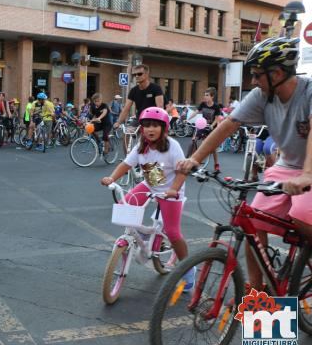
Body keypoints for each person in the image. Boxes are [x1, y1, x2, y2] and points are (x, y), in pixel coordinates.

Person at [177, 37, 312, 293]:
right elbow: (228, 125)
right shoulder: (262, 96)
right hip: (286, 167)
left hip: (310, 168)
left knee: (302, 214)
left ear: (278, 73)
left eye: (257, 75)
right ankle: (258, 292)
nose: (253, 81)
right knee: (253, 224)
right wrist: (195, 159)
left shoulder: (309, 92)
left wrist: (307, 174)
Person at [101, 107, 193, 287]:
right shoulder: (141, 146)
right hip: (151, 184)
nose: (150, 129)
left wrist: (173, 189)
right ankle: (142, 236)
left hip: (171, 191)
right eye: (146, 125)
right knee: (124, 203)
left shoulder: (172, 146)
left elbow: (183, 171)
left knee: (173, 233)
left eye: (155, 126)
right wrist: (111, 178)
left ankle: (189, 271)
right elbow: (126, 165)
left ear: (164, 127)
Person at [114, 64, 164, 129]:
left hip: (153, 119)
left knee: (150, 135)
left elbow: (160, 107)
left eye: (139, 74)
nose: (136, 76)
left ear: (146, 74)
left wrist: (159, 122)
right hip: (139, 118)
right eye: (135, 75)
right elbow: (126, 109)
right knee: (127, 134)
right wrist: (118, 122)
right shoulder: (133, 90)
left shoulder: (156, 88)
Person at [190, 87, 222, 172]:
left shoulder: (216, 106)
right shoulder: (203, 104)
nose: (205, 97)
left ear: (212, 97)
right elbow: (196, 112)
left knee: (213, 148)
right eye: (205, 95)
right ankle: (192, 160)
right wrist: (188, 119)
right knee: (194, 140)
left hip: (211, 127)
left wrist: (212, 125)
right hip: (203, 125)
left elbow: (217, 119)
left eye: (207, 95)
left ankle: (216, 165)